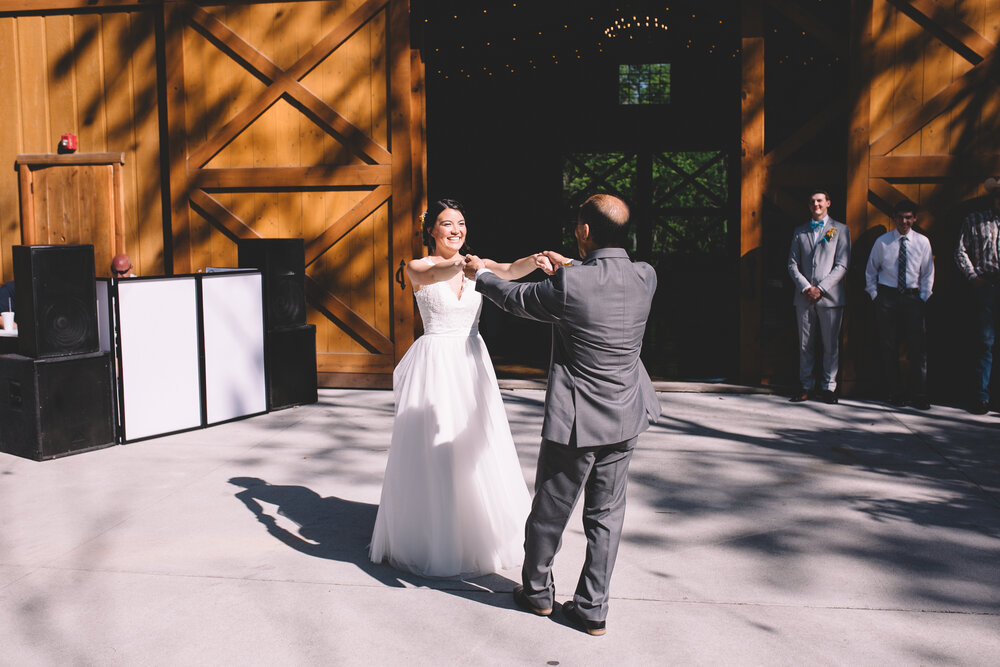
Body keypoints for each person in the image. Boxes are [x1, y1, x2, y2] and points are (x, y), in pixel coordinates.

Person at [464, 193, 660, 637]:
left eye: (578, 224)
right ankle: (593, 609)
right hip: (627, 414)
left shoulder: (570, 286)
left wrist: (483, 274)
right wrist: (569, 266)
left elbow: (518, 298)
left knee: (551, 509)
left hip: (578, 419)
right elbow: (602, 280)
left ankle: (536, 593)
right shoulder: (646, 276)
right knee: (606, 515)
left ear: (585, 231)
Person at [369, 198, 546, 578]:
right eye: (447, 224)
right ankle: (436, 535)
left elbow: (512, 270)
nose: (456, 230)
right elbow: (435, 276)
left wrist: (538, 258)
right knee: (437, 449)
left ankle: (478, 529)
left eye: (461, 223)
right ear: (430, 230)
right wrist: (465, 265)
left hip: (471, 361)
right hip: (436, 364)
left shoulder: (476, 264)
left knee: (477, 443)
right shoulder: (419, 267)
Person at [864, 200, 934, 409]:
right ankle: (895, 392)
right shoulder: (883, 242)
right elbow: (871, 270)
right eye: (900, 217)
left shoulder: (922, 242)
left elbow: (928, 272)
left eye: (908, 217)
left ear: (914, 218)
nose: (904, 221)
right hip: (887, 297)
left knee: (917, 348)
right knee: (889, 346)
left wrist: (923, 296)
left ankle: (919, 394)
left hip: (913, 297)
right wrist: (875, 295)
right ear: (894, 218)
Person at [787, 189, 851, 404]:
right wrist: (806, 287)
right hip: (804, 296)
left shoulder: (840, 230)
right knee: (805, 343)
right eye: (813, 201)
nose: (816, 205)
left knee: (830, 344)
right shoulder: (800, 231)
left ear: (828, 203)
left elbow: (842, 264)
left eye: (820, 201)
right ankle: (806, 385)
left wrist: (821, 288)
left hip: (830, 297)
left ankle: (828, 387)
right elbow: (792, 264)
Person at [954, 177, 1000, 414]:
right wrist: (973, 278)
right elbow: (961, 251)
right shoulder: (975, 220)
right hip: (987, 287)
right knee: (985, 343)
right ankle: (982, 397)